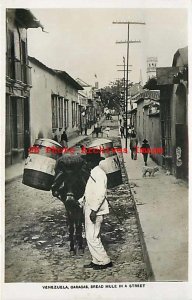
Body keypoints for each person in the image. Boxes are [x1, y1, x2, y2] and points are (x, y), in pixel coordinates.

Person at [78, 153, 113, 270]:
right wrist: (81, 200)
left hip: (95, 211)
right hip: (90, 208)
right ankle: (96, 260)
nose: (86, 163)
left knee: (92, 237)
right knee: (92, 236)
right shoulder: (94, 172)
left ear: (93, 162)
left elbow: (101, 194)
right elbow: (89, 191)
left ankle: (104, 260)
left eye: (88, 161)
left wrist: (93, 210)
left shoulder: (99, 174)